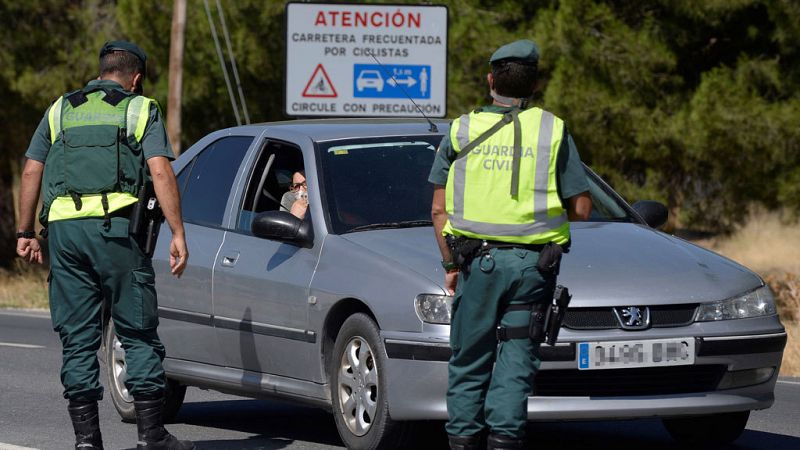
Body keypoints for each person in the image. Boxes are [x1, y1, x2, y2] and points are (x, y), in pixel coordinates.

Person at [15, 40, 194, 450]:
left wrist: (25, 233)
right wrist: (178, 232)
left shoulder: (60, 108)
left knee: (78, 337)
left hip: (64, 236)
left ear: (99, 73)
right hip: (116, 234)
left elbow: (30, 172)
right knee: (136, 330)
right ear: (136, 78)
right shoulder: (139, 108)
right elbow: (161, 172)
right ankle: (151, 437)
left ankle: (86, 442)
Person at [429, 39, 592, 450]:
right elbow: (583, 208)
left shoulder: (461, 128)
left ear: (490, 80)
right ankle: (504, 442)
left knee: (469, 359)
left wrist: (450, 263)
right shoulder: (554, 129)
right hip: (533, 269)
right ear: (535, 85)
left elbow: (437, 211)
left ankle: (464, 441)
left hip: (477, 264)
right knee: (517, 362)